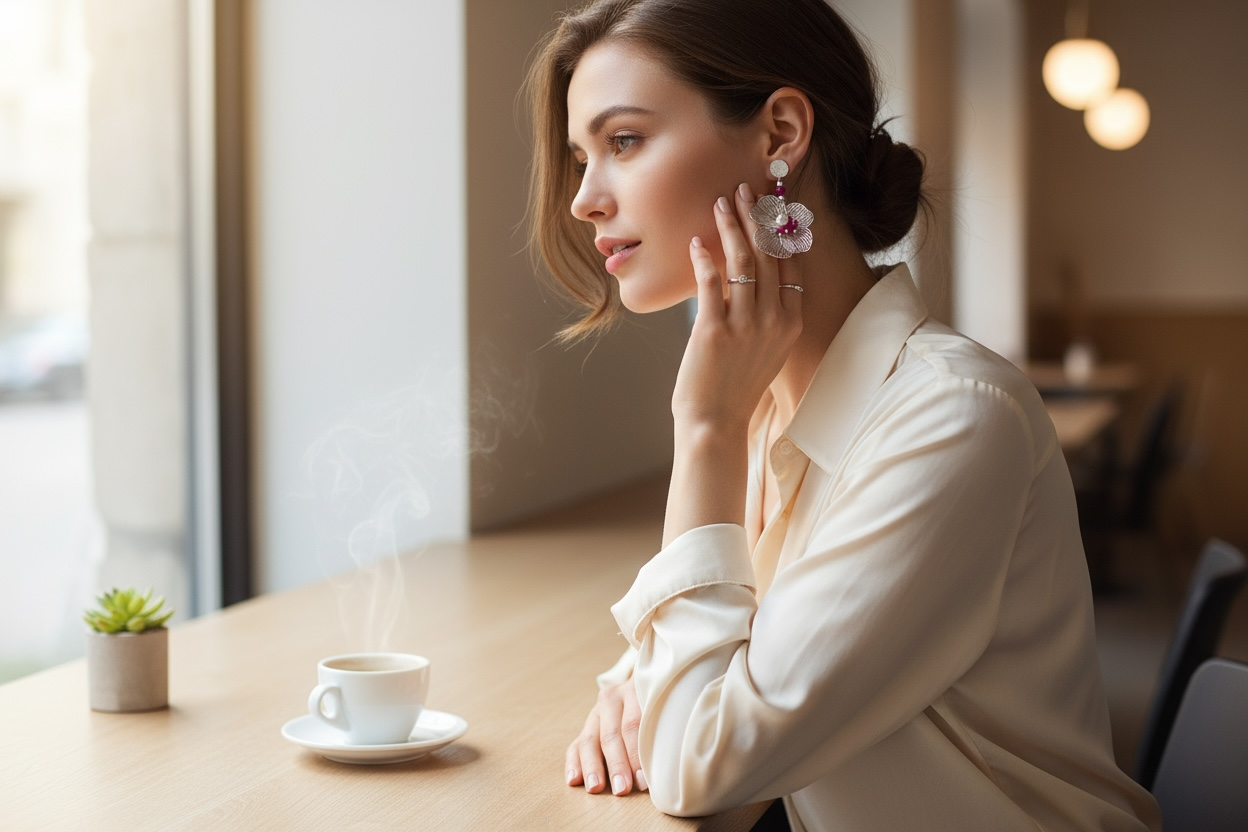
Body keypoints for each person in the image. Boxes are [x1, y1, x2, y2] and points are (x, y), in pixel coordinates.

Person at [524, 1, 1162, 829]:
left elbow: (701, 769)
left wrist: (705, 428)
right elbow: (706, 673)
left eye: (624, 142)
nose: (584, 200)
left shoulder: (949, 421)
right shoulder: (774, 404)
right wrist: (629, 684)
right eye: (582, 157)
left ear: (781, 133)